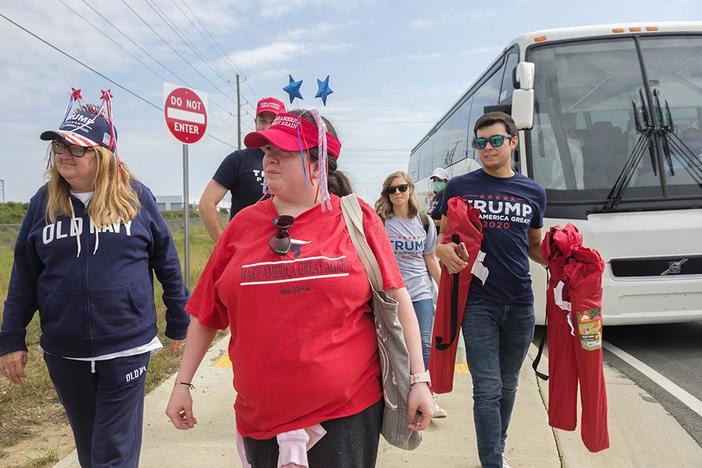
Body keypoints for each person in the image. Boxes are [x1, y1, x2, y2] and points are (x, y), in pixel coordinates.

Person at [166, 109, 433, 467]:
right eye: (266, 149)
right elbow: (206, 315)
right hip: (259, 421)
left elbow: (399, 300)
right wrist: (182, 383)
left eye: (285, 151)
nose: (269, 158)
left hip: (346, 416)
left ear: (319, 162)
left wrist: (419, 379)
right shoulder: (242, 226)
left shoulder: (356, 219)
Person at [0, 93, 190, 468]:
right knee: (89, 448)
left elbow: (166, 261)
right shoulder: (43, 203)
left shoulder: (136, 198)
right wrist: (11, 338)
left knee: (113, 451)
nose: (65, 153)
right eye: (59, 145)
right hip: (64, 351)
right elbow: (24, 275)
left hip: (125, 346)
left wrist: (179, 320)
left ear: (102, 154)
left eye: (77, 147)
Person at [435, 111, 547, 468]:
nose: (487, 148)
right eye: (480, 143)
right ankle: (493, 463)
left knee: (509, 385)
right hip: (478, 302)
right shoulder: (459, 187)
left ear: (513, 142)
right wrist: (443, 251)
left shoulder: (533, 192)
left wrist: (565, 263)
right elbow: (439, 239)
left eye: (495, 141)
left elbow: (535, 247)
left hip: (520, 301)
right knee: (487, 387)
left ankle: (496, 447)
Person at [375, 171, 448, 419]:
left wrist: (445, 290)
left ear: (410, 190)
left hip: (420, 292)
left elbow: (430, 258)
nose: (397, 193)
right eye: (391, 190)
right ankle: (400, 391)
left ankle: (428, 393)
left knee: (425, 343)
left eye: (401, 188)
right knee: (397, 345)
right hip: (393, 293)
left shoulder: (424, 221)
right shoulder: (381, 222)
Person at [199, 97, 286, 241]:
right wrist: (223, 246)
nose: (267, 127)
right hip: (244, 251)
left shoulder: (291, 162)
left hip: (281, 251)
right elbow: (206, 203)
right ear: (255, 122)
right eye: (262, 121)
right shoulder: (238, 159)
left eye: (273, 122)